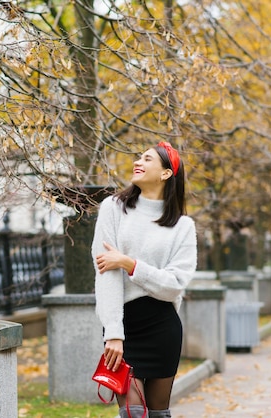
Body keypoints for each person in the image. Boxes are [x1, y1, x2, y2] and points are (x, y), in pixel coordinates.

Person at [91, 142, 197, 418]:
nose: (138, 162)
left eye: (147, 159)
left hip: (163, 327)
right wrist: (113, 332)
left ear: (165, 173)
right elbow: (106, 276)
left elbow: (175, 283)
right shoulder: (113, 209)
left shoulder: (182, 226)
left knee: (159, 414)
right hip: (124, 327)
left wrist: (129, 263)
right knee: (133, 412)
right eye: (139, 157)